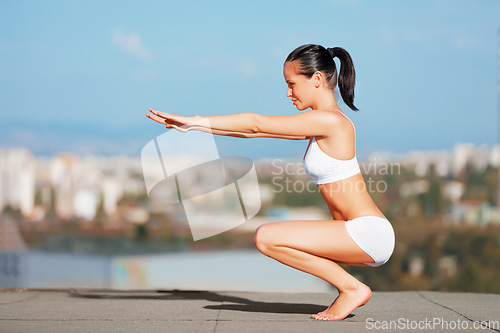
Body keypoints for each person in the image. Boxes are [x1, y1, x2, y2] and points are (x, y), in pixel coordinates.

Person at [146, 44, 395, 321]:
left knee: (266, 237)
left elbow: (256, 124)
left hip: (367, 233)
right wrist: (196, 126)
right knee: (267, 238)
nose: (288, 93)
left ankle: (352, 288)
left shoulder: (331, 122)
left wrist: (194, 121)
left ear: (316, 80)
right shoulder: (320, 125)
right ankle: (351, 287)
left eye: (292, 84)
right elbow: (252, 134)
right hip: (357, 233)